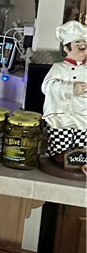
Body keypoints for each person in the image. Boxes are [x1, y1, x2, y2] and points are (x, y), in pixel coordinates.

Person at [41, 20, 87, 162]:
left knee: (81, 147)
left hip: (83, 115)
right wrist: (70, 89)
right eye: (78, 45)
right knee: (61, 147)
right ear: (66, 49)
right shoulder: (59, 68)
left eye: (84, 45)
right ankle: (57, 160)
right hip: (61, 117)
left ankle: (79, 164)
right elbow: (47, 86)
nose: (83, 48)